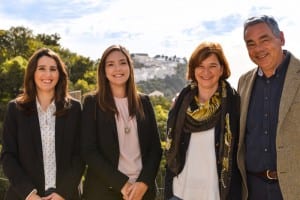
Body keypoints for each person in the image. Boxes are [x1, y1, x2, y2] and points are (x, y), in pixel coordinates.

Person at [0, 48, 84, 199]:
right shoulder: (15, 109)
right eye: (42, 69)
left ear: (60, 74)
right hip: (24, 196)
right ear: (32, 72)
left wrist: (62, 193)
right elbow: (8, 156)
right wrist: (30, 194)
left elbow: (79, 156)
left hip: (65, 196)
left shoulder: (74, 108)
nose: (48, 74)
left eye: (53, 69)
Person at [80, 44, 162, 200]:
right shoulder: (92, 103)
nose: (117, 68)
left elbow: (155, 149)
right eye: (110, 64)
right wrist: (122, 185)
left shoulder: (144, 102)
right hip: (103, 192)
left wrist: (143, 183)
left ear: (130, 67)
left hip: (142, 192)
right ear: (103, 71)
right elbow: (89, 151)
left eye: (122, 63)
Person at [164, 41, 243, 200]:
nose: (206, 71)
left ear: (221, 69)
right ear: (193, 70)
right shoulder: (180, 104)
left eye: (212, 65)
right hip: (180, 192)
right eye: (200, 66)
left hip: (217, 194)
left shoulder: (234, 103)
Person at [237, 14, 300, 200]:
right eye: (251, 43)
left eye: (264, 40)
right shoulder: (243, 82)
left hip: (293, 189)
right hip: (251, 190)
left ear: (281, 38)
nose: (258, 49)